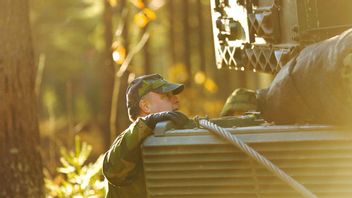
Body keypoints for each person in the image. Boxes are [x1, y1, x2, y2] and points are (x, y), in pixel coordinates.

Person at [102, 74, 189, 198]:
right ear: (146, 106)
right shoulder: (128, 144)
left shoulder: (165, 140)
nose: (176, 100)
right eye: (167, 96)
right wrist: (149, 122)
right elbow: (112, 170)